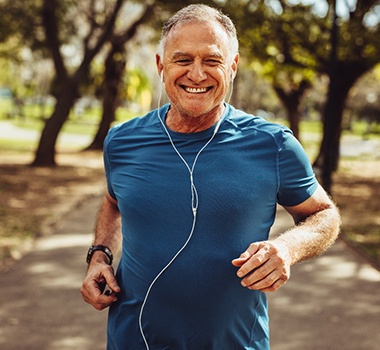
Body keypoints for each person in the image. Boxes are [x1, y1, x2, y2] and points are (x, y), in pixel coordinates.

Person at [81, 4, 341, 350]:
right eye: (183, 59)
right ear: (161, 65)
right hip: (131, 339)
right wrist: (100, 256)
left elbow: (324, 214)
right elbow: (114, 201)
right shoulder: (122, 141)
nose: (197, 74)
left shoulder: (274, 144)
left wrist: (286, 248)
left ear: (232, 67)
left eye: (212, 60)